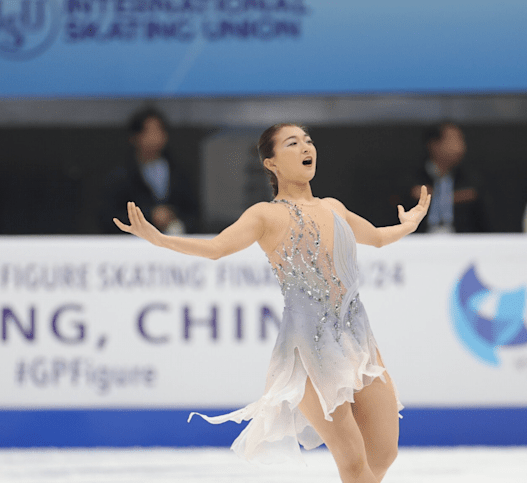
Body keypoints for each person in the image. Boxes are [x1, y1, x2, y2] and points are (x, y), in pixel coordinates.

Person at [114, 123, 431, 482]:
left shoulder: (333, 207)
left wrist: (409, 223)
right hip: (308, 352)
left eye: (308, 141)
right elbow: (217, 248)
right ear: (271, 163)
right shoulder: (265, 215)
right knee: (354, 462)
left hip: (359, 341)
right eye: (292, 143)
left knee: (383, 453)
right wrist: (160, 240)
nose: (305, 147)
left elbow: (374, 237)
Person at [101, 107, 199, 235]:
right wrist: (149, 215)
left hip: (175, 243)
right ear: (134, 137)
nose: (154, 137)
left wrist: (175, 219)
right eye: (148, 132)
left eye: (159, 130)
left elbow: (194, 213)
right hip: (133, 245)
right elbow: (109, 217)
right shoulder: (120, 176)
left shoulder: (180, 173)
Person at [409, 122, 485, 233]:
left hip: (462, 241)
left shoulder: (470, 178)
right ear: (434, 144)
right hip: (420, 240)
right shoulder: (414, 177)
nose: (460, 146)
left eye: (461, 140)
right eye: (453, 140)